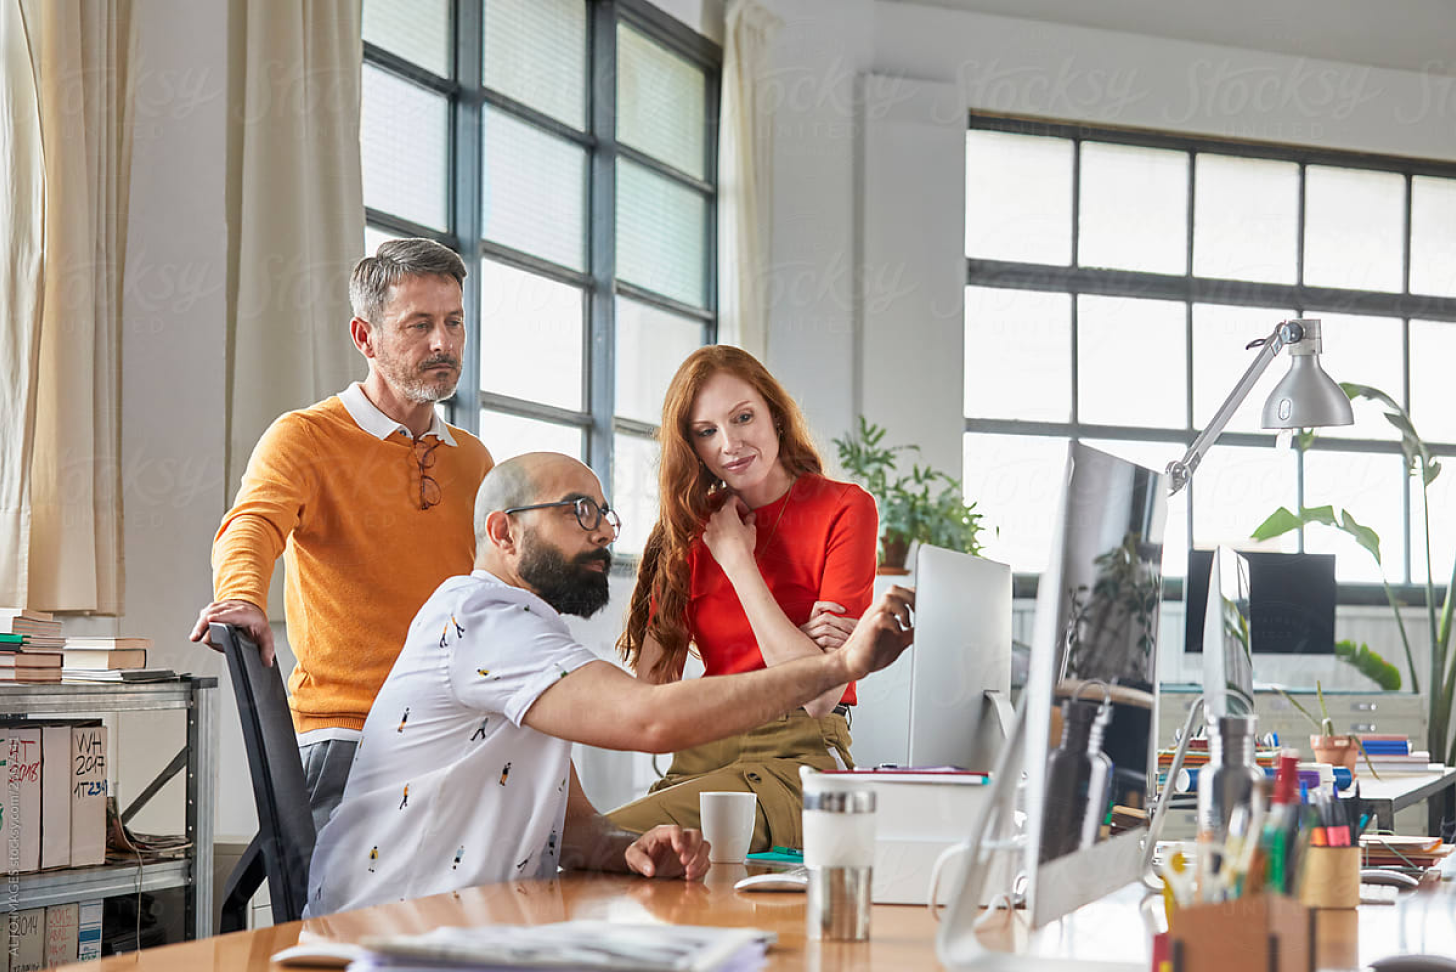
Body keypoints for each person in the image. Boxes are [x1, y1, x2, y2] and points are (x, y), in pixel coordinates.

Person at [305, 453, 913, 915]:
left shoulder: (532, 642)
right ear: (504, 532)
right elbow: (649, 719)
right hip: (391, 929)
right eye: (578, 511)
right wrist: (837, 666)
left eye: (604, 514)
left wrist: (624, 847)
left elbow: (573, 830)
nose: (603, 532)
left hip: (472, 926)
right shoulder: (480, 619)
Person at [189, 239, 494, 833]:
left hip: (455, 730)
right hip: (352, 733)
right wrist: (243, 597)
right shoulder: (305, 437)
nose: (443, 343)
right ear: (365, 337)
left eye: (454, 322)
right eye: (420, 325)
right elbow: (251, 524)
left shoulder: (475, 461)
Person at [606, 346, 878, 853]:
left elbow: (820, 696)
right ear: (693, 447)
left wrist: (737, 561)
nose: (730, 444)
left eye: (743, 417)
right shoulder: (687, 530)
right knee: (609, 855)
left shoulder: (844, 508)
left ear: (774, 413)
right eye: (707, 432)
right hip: (698, 757)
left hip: (793, 759)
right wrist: (802, 647)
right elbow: (648, 697)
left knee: (599, 840)